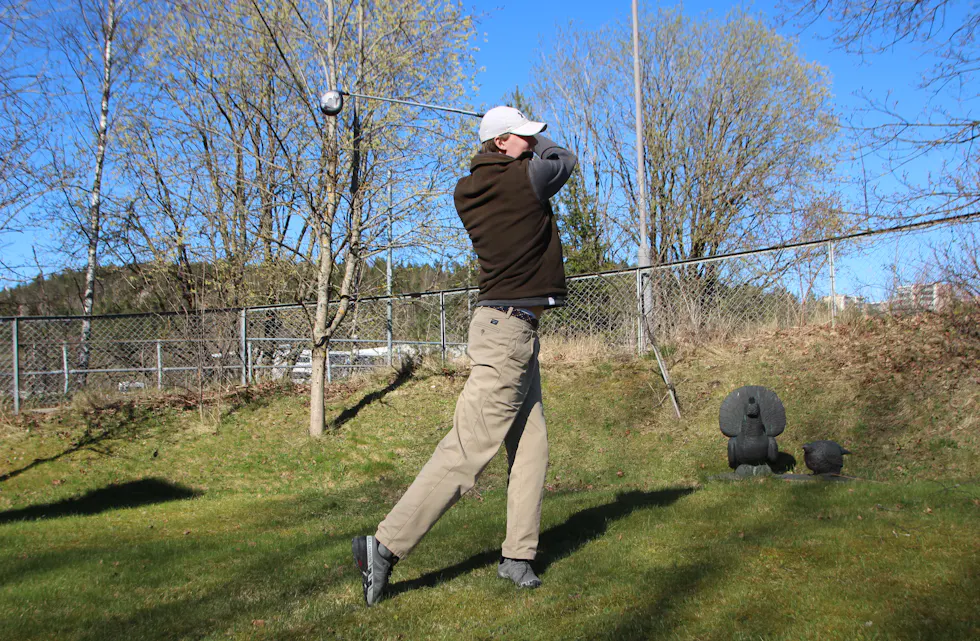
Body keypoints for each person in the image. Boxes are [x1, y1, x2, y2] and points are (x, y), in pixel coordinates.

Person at [352, 105, 577, 606]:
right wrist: (537, 140)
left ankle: (518, 556)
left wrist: (513, 134)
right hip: (507, 334)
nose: (531, 142)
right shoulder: (523, 179)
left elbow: (533, 158)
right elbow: (563, 158)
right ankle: (383, 547)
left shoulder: (469, 187)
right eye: (522, 136)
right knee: (467, 451)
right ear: (500, 144)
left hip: (509, 328)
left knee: (532, 446)